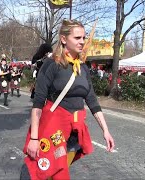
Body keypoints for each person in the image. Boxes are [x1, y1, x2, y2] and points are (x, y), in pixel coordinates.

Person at [22, 19, 115, 179]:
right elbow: (38, 105)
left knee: (60, 169)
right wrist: (34, 138)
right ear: (64, 39)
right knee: (46, 171)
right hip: (53, 130)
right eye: (77, 38)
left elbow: (92, 101)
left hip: (74, 133)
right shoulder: (51, 65)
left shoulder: (83, 68)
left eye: (83, 38)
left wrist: (105, 131)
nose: (82, 42)